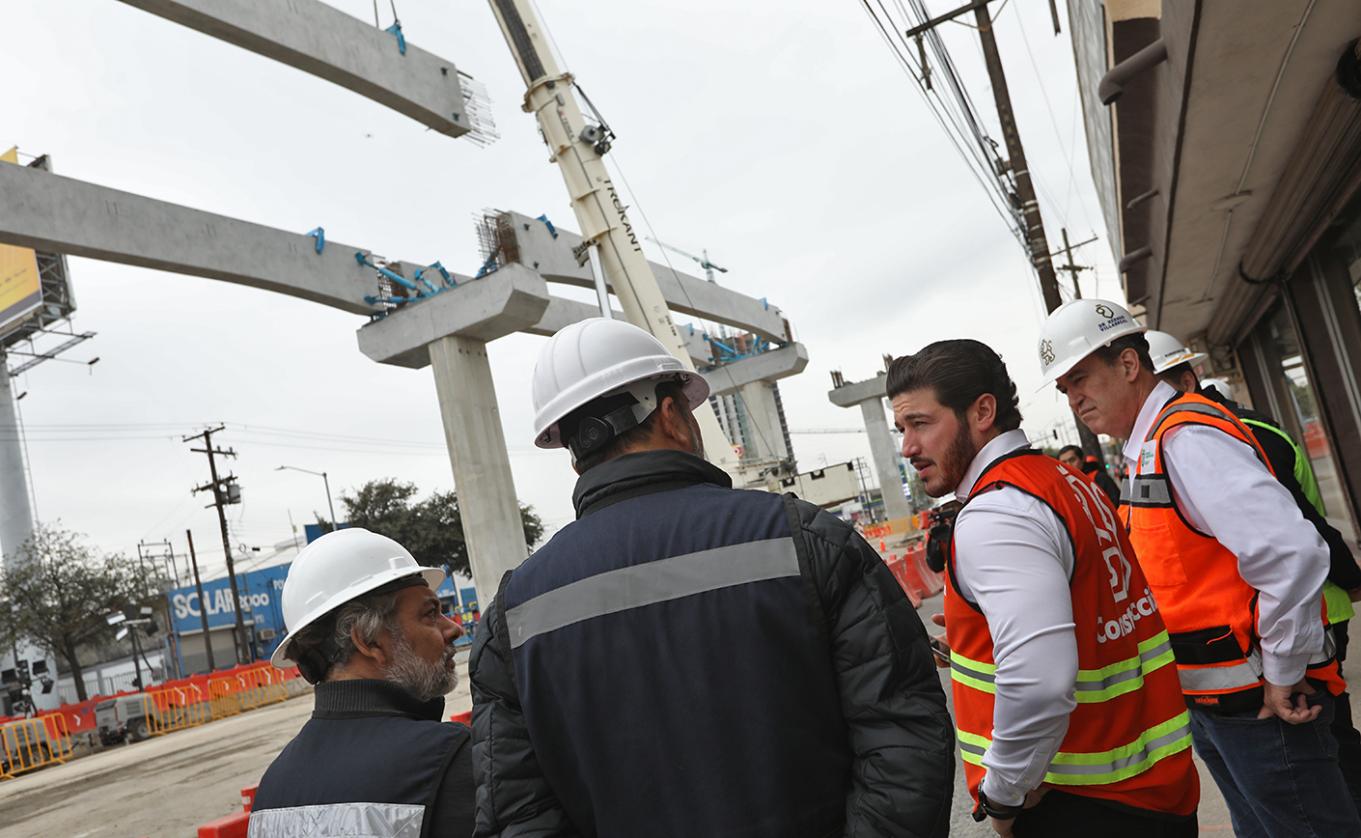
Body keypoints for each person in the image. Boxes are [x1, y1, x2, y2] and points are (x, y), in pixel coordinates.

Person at [469, 318, 954, 838]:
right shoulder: (808, 541)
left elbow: (517, 817)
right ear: (673, 415)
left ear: (572, 452)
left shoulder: (512, 617)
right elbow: (903, 743)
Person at [1039, 299, 1360, 837]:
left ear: (1127, 364)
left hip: (1262, 705)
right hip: (1221, 703)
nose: (1074, 398)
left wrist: (1282, 672)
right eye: (1064, 388)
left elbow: (1293, 555)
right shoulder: (1147, 449)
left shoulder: (1186, 438)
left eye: (1080, 378)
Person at [889, 339, 1197, 837]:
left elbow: (1041, 681)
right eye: (901, 429)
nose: (907, 447)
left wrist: (1003, 794)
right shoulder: (1062, 479)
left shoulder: (997, 511)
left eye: (921, 424)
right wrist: (977, 642)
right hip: (1148, 786)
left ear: (983, 411)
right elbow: (1089, 615)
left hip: (1079, 801)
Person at [1148, 328, 1361, 808]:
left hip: (1310, 610)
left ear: (1186, 379)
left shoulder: (1208, 436)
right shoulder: (1201, 434)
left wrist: (1348, 576)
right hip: (1301, 609)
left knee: (1331, 755)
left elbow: (1297, 532)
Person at [249, 528, 473, 838]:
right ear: (369, 641)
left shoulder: (272, 791)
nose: (453, 629)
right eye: (430, 613)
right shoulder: (446, 759)